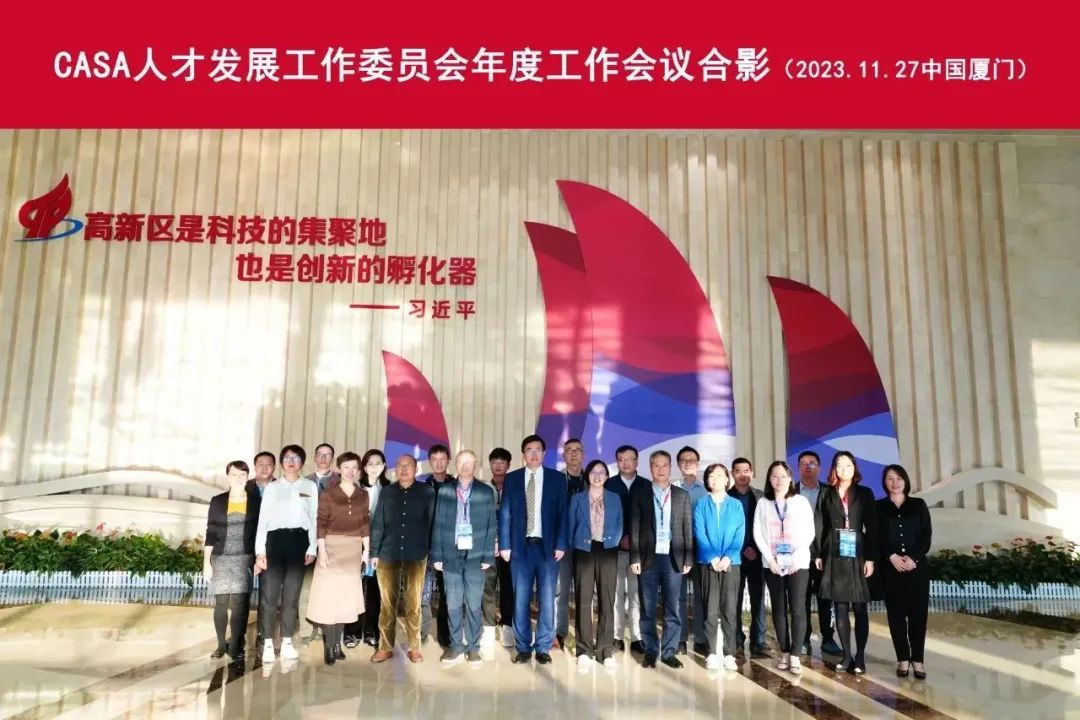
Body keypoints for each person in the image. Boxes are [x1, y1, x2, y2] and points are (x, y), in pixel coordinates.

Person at [498, 434, 569, 665]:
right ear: (523, 454)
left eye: (538, 449)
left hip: (548, 549)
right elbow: (505, 513)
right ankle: (522, 647)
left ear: (544, 453)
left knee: (547, 599)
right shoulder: (512, 479)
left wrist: (561, 543)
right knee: (521, 599)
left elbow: (563, 514)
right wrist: (505, 544)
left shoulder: (557, 479)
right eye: (529, 449)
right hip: (520, 549)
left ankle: (543, 646)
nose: (534, 454)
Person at [814, 451, 879, 674]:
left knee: (859, 607)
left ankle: (860, 657)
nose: (844, 469)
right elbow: (821, 525)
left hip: (858, 551)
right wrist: (819, 554)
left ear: (855, 468)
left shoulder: (865, 493)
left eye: (848, 465)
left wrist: (870, 558)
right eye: (840, 465)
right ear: (834, 469)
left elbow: (873, 527)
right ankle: (846, 655)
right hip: (834, 551)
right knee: (840, 606)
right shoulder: (826, 493)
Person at [431, 450, 497, 666]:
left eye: (469, 462)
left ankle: (473, 647)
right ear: (455, 465)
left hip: (476, 555)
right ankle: (456, 646)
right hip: (450, 554)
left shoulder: (485, 492)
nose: (465, 466)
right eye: (461, 462)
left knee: (474, 603)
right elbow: (438, 523)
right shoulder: (445, 490)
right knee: (452, 602)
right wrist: (437, 554)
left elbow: (491, 525)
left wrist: (488, 554)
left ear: (475, 465)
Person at [369, 455, 436, 664]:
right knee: (387, 604)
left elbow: (432, 523)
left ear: (416, 469)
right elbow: (378, 523)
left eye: (409, 466)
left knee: (413, 603)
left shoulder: (427, 492)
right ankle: (385, 647)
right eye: (400, 465)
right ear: (395, 469)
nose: (404, 469)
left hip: (417, 555)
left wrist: (432, 553)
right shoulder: (387, 492)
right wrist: (374, 552)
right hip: (388, 554)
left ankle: (414, 647)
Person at [629, 450, 693, 669]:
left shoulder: (682, 495)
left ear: (670, 467)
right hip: (648, 558)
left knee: (672, 607)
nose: (661, 469)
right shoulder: (640, 493)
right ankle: (650, 650)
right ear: (650, 468)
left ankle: (668, 652)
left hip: (674, 558)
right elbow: (634, 528)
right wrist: (634, 557)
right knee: (647, 607)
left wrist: (688, 558)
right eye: (656, 465)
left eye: (665, 465)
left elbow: (687, 529)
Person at [254, 445, 318, 664]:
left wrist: (312, 547)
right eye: (287, 458)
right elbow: (263, 520)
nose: (291, 461)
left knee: (291, 596)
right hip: (274, 542)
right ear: (281, 463)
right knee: (269, 596)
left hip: (299, 542)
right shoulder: (273, 488)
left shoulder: (310, 486)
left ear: (302, 463)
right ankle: (268, 643)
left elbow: (314, 518)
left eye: (296, 458)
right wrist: (260, 552)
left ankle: (288, 642)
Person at [305, 452, 370, 666]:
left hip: (353, 550)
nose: (351, 471)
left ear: (359, 471)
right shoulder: (329, 493)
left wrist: (366, 550)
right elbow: (321, 522)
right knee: (329, 600)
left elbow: (364, 523)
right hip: (331, 548)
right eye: (346, 467)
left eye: (354, 468)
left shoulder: (363, 495)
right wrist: (322, 550)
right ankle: (329, 645)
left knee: (345, 601)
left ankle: (337, 644)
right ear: (339, 469)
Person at [753, 461, 815, 676]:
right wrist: (769, 559)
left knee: (798, 608)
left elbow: (809, 532)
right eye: (774, 476)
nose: (778, 480)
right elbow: (757, 532)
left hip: (798, 563)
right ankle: (785, 652)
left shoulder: (800, 501)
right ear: (769, 479)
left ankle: (796, 654)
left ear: (790, 478)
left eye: (783, 475)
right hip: (772, 564)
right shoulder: (763, 503)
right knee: (778, 609)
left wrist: (796, 556)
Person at [877, 464, 932, 680]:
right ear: (885, 482)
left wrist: (913, 558)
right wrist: (891, 556)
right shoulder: (879, 507)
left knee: (918, 615)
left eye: (899, 478)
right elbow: (876, 536)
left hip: (916, 569)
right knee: (896, 616)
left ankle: (917, 660)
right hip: (891, 569)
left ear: (905, 481)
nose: (895, 482)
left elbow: (926, 535)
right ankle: (902, 658)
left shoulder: (918, 505)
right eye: (890, 478)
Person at [567, 459, 623, 668]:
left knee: (607, 600)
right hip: (583, 550)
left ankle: (605, 650)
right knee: (583, 599)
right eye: (593, 472)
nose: (597, 476)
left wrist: (613, 541)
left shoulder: (615, 498)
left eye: (601, 472)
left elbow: (619, 524)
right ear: (587, 475)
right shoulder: (577, 498)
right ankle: (584, 649)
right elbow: (571, 525)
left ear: (607, 476)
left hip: (608, 550)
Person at [204, 460, 261, 663]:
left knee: (239, 604)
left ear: (247, 477)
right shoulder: (218, 501)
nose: (238, 478)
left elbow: (260, 533)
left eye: (242, 474)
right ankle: (221, 645)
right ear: (228, 477)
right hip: (220, 557)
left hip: (244, 557)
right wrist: (206, 563)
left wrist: (258, 558)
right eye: (234, 474)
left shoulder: (256, 501)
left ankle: (236, 646)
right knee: (220, 603)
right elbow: (210, 532)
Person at [693, 463, 744, 671]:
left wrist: (729, 556)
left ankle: (730, 653)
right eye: (711, 476)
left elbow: (739, 533)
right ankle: (712, 652)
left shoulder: (736, 505)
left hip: (731, 563)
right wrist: (711, 556)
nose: (715, 479)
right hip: (708, 563)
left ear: (727, 479)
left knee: (730, 609)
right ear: (707, 480)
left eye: (720, 475)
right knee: (710, 609)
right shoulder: (701, 504)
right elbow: (699, 532)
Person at [604, 445, 650, 654]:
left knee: (636, 595)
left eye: (630, 459)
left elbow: (649, 518)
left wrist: (633, 537)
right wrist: (620, 536)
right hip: (613, 549)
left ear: (637, 461)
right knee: (616, 594)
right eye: (621, 459)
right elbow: (605, 515)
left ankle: (637, 637)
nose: (626, 463)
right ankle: (616, 636)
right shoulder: (609, 484)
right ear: (617, 462)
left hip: (639, 551)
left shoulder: (646, 485)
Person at [345, 449, 390, 649]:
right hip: (356, 545)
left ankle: (371, 631)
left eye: (378, 463)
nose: (374, 467)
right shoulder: (354, 488)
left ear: (384, 466)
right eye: (370, 463)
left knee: (374, 590)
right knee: (354, 589)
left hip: (379, 547)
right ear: (363, 467)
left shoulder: (390, 489)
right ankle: (351, 632)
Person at [797, 450, 840, 656]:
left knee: (826, 598)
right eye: (803, 463)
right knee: (800, 600)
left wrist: (826, 552)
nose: (808, 466)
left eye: (812, 463)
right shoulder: (790, 492)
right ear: (798, 468)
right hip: (799, 556)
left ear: (820, 468)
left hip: (824, 556)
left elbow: (834, 525)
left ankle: (828, 638)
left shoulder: (829, 492)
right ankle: (803, 638)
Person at [729, 457, 770, 658]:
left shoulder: (761, 497)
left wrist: (754, 547)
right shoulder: (726, 497)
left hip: (757, 555)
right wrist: (742, 547)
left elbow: (765, 527)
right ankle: (736, 637)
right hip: (734, 556)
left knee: (758, 598)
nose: (743, 474)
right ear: (732, 473)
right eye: (738, 471)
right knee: (734, 600)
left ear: (752, 473)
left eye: (746, 471)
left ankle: (759, 640)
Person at [674, 445, 707, 656]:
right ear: (678, 464)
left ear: (698, 464)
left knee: (701, 594)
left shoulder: (705, 490)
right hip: (678, 547)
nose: (687, 463)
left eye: (692, 460)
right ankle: (680, 638)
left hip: (700, 547)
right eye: (684, 460)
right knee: (678, 595)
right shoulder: (671, 489)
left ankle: (701, 638)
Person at [420, 443, 454, 649]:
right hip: (424, 547)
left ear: (448, 461)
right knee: (422, 594)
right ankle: (422, 633)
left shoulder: (457, 486)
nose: (439, 463)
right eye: (435, 459)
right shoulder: (422, 487)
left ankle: (445, 636)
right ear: (429, 462)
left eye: (443, 459)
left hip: (448, 548)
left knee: (447, 593)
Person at [555, 438, 587, 650]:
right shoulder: (556, 480)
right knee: (561, 591)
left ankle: (585, 634)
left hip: (586, 545)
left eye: (577, 450)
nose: (574, 454)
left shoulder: (592, 479)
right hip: (563, 545)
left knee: (586, 592)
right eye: (569, 450)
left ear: (583, 454)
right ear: (564, 455)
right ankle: (560, 631)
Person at [482, 447, 515, 648]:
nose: (498, 466)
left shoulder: (515, 487)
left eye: (502, 462)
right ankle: (487, 626)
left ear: (508, 465)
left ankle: (507, 626)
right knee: (487, 587)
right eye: (494, 462)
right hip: (488, 547)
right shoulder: (484, 489)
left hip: (510, 548)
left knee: (509, 588)